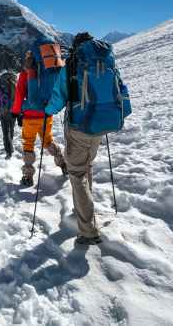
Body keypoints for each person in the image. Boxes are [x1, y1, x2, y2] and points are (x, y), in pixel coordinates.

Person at [44, 31, 126, 245]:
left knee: (77, 172)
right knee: (86, 167)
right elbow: (121, 89)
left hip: (79, 125)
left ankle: (88, 231)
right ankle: (83, 211)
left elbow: (59, 96)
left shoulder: (73, 63)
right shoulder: (107, 59)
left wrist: (47, 111)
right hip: (101, 124)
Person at [11, 50, 66, 186]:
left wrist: (16, 111)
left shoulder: (25, 74)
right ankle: (63, 164)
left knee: (28, 143)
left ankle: (28, 176)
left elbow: (19, 94)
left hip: (29, 117)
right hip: (46, 115)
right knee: (48, 141)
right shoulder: (49, 73)